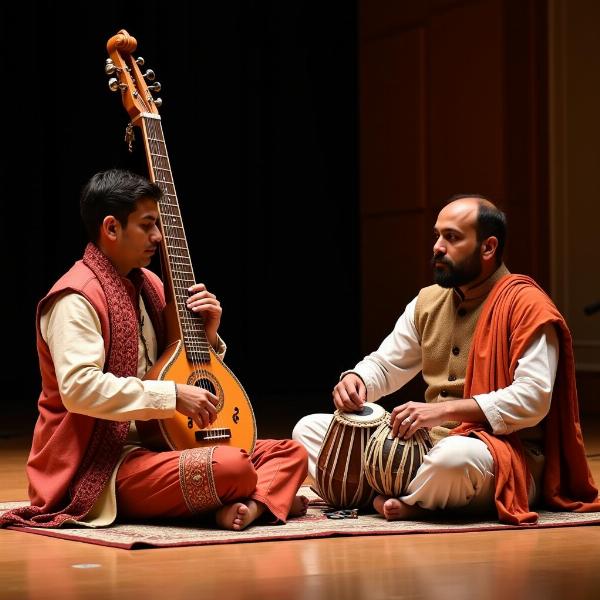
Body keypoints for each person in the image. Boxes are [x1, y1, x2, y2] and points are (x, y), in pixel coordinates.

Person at [0, 169, 308, 532]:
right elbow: (79, 390)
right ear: (111, 228)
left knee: (290, 452)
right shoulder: (75, 298)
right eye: (147, 225)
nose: (158, 237)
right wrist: (171, 396)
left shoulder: (152, 286)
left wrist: (206, 337)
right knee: (231, 467)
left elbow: (175, 368)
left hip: (164, 443)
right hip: (103, 465)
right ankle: (259, 498)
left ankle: (249, 506)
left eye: (158, 224)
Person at [293, 194, 600, 525]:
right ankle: (417, 497)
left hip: (498, 452)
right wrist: (356, 380)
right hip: (428, 445)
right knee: (309, 429)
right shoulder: (428, 302)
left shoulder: (527, 306)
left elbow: (533, 398)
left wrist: (442, 411)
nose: (438, 246)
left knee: (453, 461)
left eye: (452, 237)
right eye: (437, 235)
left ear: (488, 247)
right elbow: (386, 365)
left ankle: (402, 495)